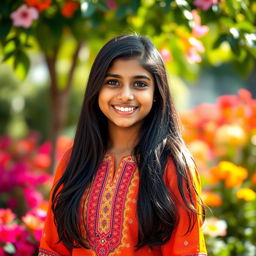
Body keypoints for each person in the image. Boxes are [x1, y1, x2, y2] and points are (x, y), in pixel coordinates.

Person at [39, 35, 207, 256]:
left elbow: (187, 251)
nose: (125, 95)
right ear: (97, 88)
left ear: (156, 93)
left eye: (140, 84)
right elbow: (53, 248)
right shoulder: (75, 160)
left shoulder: (173, 166)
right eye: (112, 82)